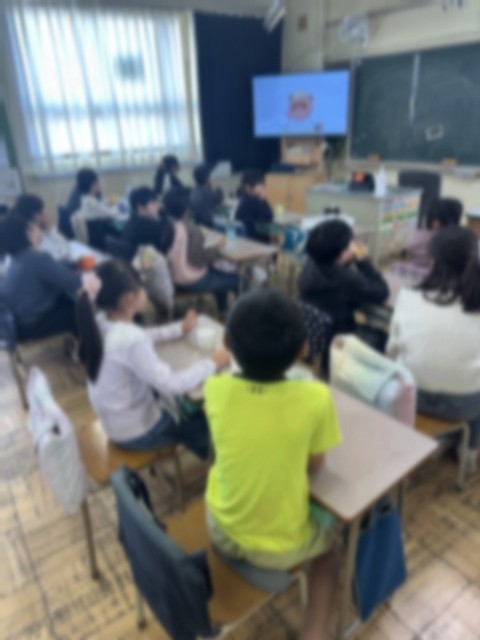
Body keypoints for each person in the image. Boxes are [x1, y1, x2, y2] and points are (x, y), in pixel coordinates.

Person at [205, 289, 341, 640]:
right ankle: (314, 635)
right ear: (303, 349)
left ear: (227, 344)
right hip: (278, 549)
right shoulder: (316, 398)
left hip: (220, 528)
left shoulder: (214, 389)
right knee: (332, 548)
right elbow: (315, 466)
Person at [76, 260, 230, 457]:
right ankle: (212, 455)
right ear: (129, 298)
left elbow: (145, 335)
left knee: (180, 400)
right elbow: (171, 384)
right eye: (142, 287)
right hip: (138, 433)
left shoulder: (102, 321)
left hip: (117, 424)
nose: (145, 292)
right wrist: (212, 362)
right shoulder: (130, 339)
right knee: (207, 424)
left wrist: (179, 328)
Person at [387, 226, 480, 474]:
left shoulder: (408, 295)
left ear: (432, 259)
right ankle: (468, 451)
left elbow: (391, 350)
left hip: (410, 396)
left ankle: (438, 438)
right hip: (465, 404)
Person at [0, 215, 99, 340]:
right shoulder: (36, 259)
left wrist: (73, 266)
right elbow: (74, 282)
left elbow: (53, 269)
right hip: (33, 323)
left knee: (68, 299)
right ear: (28, 234)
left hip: (20, 321)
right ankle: (89, 349)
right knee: (81, 312)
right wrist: (91, 273)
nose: (37, 228)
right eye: (32, 226)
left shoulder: (16, 259)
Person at [298, 219, 389, 346]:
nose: (355, 244)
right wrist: (364, 261)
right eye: (352, 241)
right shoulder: (348, 279)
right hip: (340, 340)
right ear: (342, 253)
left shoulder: (311, 263)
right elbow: (382, 292)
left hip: (316, 332)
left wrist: (347, 259)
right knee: (382, 337)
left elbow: (333, 268)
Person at [165, 188, 239, 312]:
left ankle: (223, 308)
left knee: (218, 273)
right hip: (190, 280)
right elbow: (200, 259)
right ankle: (240, 313)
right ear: (187, 209)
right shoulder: (191, 230)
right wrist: (217, 246)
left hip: (171, 278)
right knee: (239, 279)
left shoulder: (165, 225)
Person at [13, 193, 70, 260]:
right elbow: (65, 254)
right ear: (34, 215)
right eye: (40, 212)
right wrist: (50, 230)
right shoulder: (34, 236)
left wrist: (49, 229)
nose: (45, 213)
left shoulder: (40, 229)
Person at [408, 197, 463, 267]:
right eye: (433, 217)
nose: (435, 222)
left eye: (439, 218)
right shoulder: (423, 232)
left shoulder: (452, 238)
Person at [71, 168, 118, 245]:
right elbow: (113, 214)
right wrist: (115, 205)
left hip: (92, 238)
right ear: (92, 185)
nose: (99, 185)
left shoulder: (84, 199)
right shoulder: (93, 203)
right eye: (97, 183)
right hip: (98, 240)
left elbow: (101, 208)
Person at [124, 186, 174, 254]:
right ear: (141, 208)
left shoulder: (130, 222)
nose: (158, 206)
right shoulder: (151, 228)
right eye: (153, 204)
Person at [235, 170, 274, 243]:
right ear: (248, 187)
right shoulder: (253, 201)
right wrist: (263, 199)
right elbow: (269, 217)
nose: (261, 188)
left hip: (244, 239)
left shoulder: (243, 198)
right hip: (256, 241)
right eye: (258, 185)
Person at [190, 164, 223, 228]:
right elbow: (220, 200)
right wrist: (218, 188)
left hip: (198, 222)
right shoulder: (208, 192)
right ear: (207, 178)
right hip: (210, 223)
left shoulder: (193, 191)